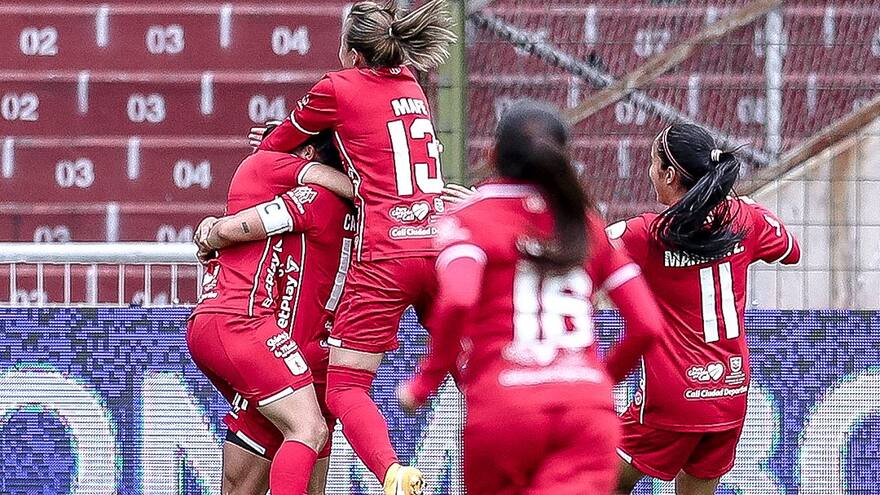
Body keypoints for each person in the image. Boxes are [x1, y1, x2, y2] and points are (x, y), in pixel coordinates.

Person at [396, 100, 663, 494]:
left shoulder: (467, 217)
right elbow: (647, 326)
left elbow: (456, 300)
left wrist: (424, 382)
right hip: (585, 413)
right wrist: (598, 380)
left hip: (504, 411)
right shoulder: (584, 223)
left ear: (491, 155)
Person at [251, 1, 456, 493]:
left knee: (346, 387)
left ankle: (392, 472)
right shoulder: (412, 87)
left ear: (349, 50)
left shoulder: (336, 88)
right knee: (468, 367)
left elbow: (275, 146)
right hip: (437, 247)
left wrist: (277, 147)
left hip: (386, 254)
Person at [608, 123, 801, 495]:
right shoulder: (747, 217)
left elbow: (572, 247)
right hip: (729, 395)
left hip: (670, 400)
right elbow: (791, 250)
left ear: (668, 174)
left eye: (652, 163)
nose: (649, 173)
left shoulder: (647, 233)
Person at [187, 133, 353, 495]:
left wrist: (210, 233)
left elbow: (233, 227)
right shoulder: (363, 208)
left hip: (289, 346)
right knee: (309, 432)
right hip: (276, 337)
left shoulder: (309, 193)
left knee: (286, 457)